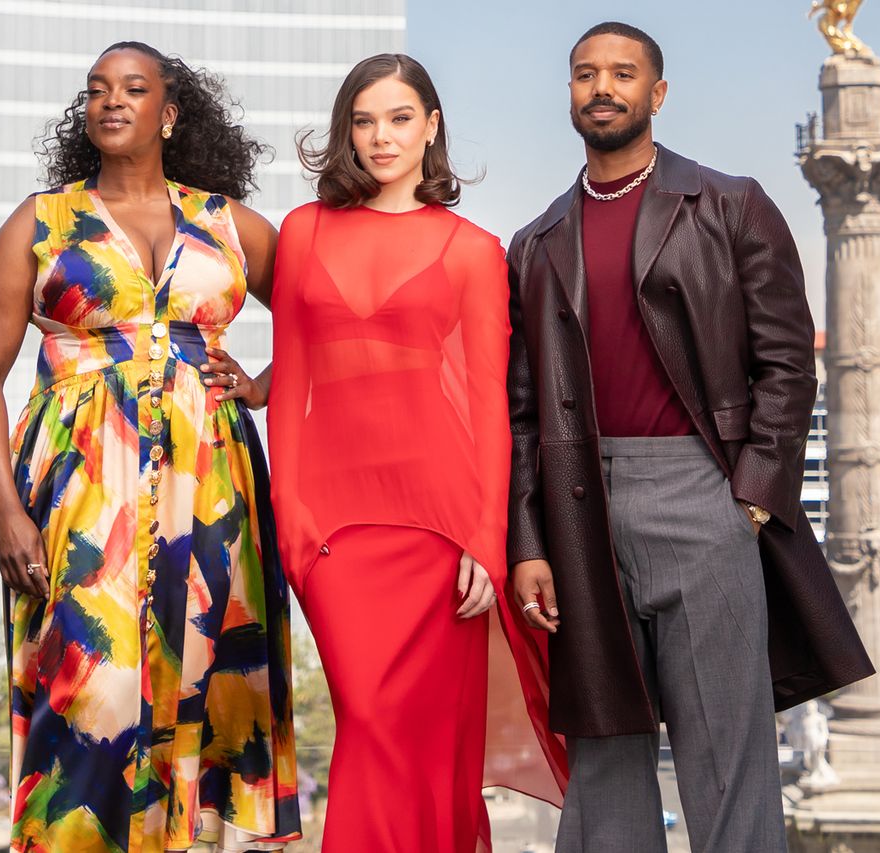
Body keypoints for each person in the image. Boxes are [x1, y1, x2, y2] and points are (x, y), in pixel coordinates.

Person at [505, 22, 874, 853]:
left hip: (702, 494)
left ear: (656, 94)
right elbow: (524, 411)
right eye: (585, 74)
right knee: (602, 753)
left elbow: (787, 360)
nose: (603, 87)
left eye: (623, 73)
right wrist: (529, 539)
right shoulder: (535, 243)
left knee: (725, 751)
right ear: (569, 92)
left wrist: (749, 493)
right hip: (579, 508)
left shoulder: (729, 204)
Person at [0, 41, 300, 853]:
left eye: (134, 88)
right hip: (83, 488)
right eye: (97, 90)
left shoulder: (228, 221)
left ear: (170, 112)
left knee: (200, 683)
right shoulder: (40, 220)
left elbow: (333, 318)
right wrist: (6, 512)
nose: (112, 101)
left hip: (209, 482)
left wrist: (262, 382)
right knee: (92, 689)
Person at [267, 53, 568, 853]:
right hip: (333, 535)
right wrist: (292, 530)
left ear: (431, 127)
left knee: (432, 747)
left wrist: (486, 541)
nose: (381, 137)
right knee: (366, 720)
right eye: (364, 120)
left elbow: (489, 409)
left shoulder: (472, 248)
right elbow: (290, 390)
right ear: (346, 132)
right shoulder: (303, 232)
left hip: (440, 530)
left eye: (400, 118)